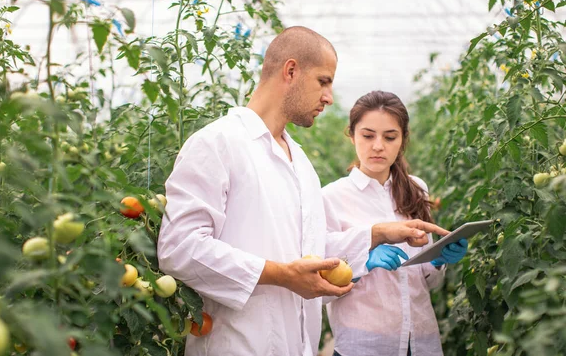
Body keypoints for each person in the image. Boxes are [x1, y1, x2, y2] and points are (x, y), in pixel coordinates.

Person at [157, 27, 450, 356]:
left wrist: (378, 234)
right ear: (291, 71)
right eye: (324, 81)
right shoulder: (219, 143)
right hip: (238, 344)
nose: (329, 97)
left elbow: (311, 251)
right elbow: (179, 248)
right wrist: (281, 275)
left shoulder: (301, 166)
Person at [322, 91, 468, 356]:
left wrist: (437, 261)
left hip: (420, 340)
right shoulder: (331, 197)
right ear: (352, 136)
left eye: (390, 137)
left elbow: (428, 283)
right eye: (368, 136)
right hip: (364, 344)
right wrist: (361, 262)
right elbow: (319, 287)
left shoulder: (416, 189)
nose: (378, 146)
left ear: (402, 140)